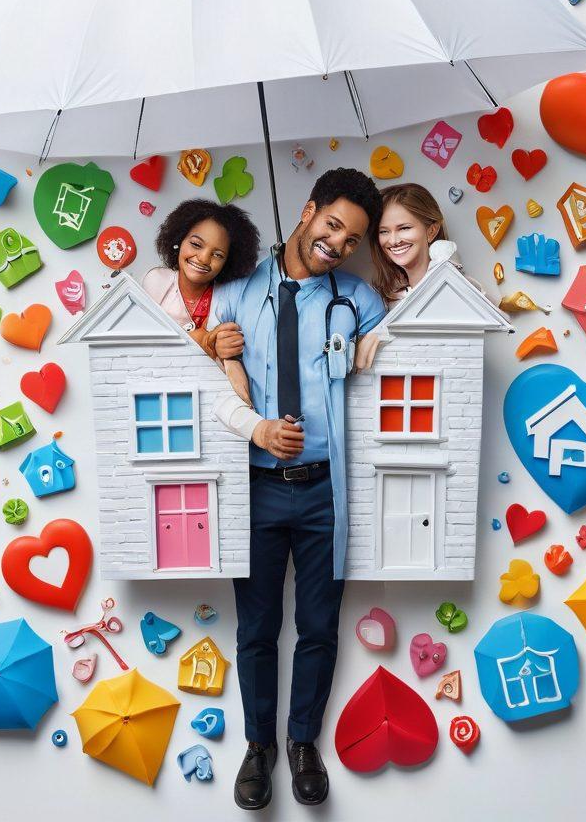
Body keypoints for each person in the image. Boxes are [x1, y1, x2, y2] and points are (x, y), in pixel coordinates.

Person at [212, 169, 385, 810]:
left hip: (323, 491)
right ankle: (258, 746)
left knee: (318, 624)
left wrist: (378, 340)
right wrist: (211, 344)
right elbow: (194, 354)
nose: (337, 244)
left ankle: (302, 741)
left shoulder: (357, 299)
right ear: (307, 211)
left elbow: (398, 333)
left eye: (352, 239)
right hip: (254, 488)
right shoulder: (235, 292)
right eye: (332, 225)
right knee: (256, 627)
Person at [142, 199, 259, 399]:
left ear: (228, 262)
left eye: (218, 254)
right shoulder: (156, 282)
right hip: (157, 393)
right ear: (179, 239)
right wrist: (205, 341)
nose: (204, 258)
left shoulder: (232, 297)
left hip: (210, 399)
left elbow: (235, 360)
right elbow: (141, 346)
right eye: (196, 244)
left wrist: (227, 351)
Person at [370, 182, 448, 304]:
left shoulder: (461, 287)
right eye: (384, 231)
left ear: (432, 231)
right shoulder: (385, 301)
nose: (394, 241)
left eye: (404, 228)